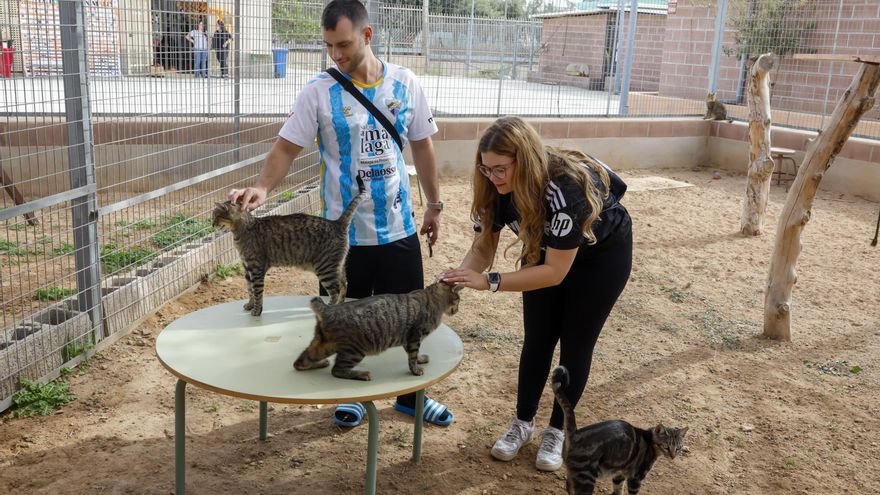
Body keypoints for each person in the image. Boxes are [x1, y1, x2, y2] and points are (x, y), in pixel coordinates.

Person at [228, 0, 453, 428]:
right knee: (348, 320)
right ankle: (352, 398)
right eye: (329, 45)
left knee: (410, 318)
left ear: (367, 36)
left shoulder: (405, 84)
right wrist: (262, 186)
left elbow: (423, 145)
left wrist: (434, 205)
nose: (336, 54)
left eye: (344, 44)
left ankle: (411, 398)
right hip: (343, 238)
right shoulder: (318, 91)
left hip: (400, 229)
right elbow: (286, 147)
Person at [440, 116, 632, 471]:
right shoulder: (494, 186)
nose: (492, 178)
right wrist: (465, 273)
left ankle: (557, 430)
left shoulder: (565, 188)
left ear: (524, 161)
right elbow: (484, 246)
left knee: (576, 344)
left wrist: (491, 282)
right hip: (545, 248)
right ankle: (522, 423)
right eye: (485, 169)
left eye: (500, 170)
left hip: (600, 259)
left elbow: (556, 273)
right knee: (538, 338)